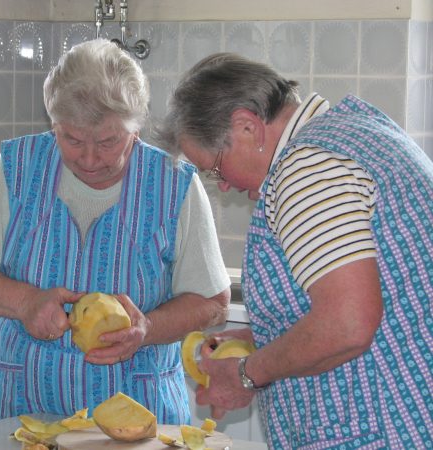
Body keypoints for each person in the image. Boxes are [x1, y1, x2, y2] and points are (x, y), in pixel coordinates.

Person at [0, 38, 231, 425]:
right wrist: (25, 302)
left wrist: (147, 329)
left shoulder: (173, 182)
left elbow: (212, 300)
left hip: (140, 416)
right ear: (54, 124)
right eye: (73, 139)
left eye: (108, 141)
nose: (89, 158)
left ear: (136, 128)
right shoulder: (18, 168)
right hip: (24, 412)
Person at [157, 53, 432, 449]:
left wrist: (248, 373)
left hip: (384, 430)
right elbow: (378, 298)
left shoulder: (306, 169)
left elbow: (348, 323)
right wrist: (265, 336)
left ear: (247, 126)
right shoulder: (357, 130)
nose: (223, 185)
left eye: (215, 168)